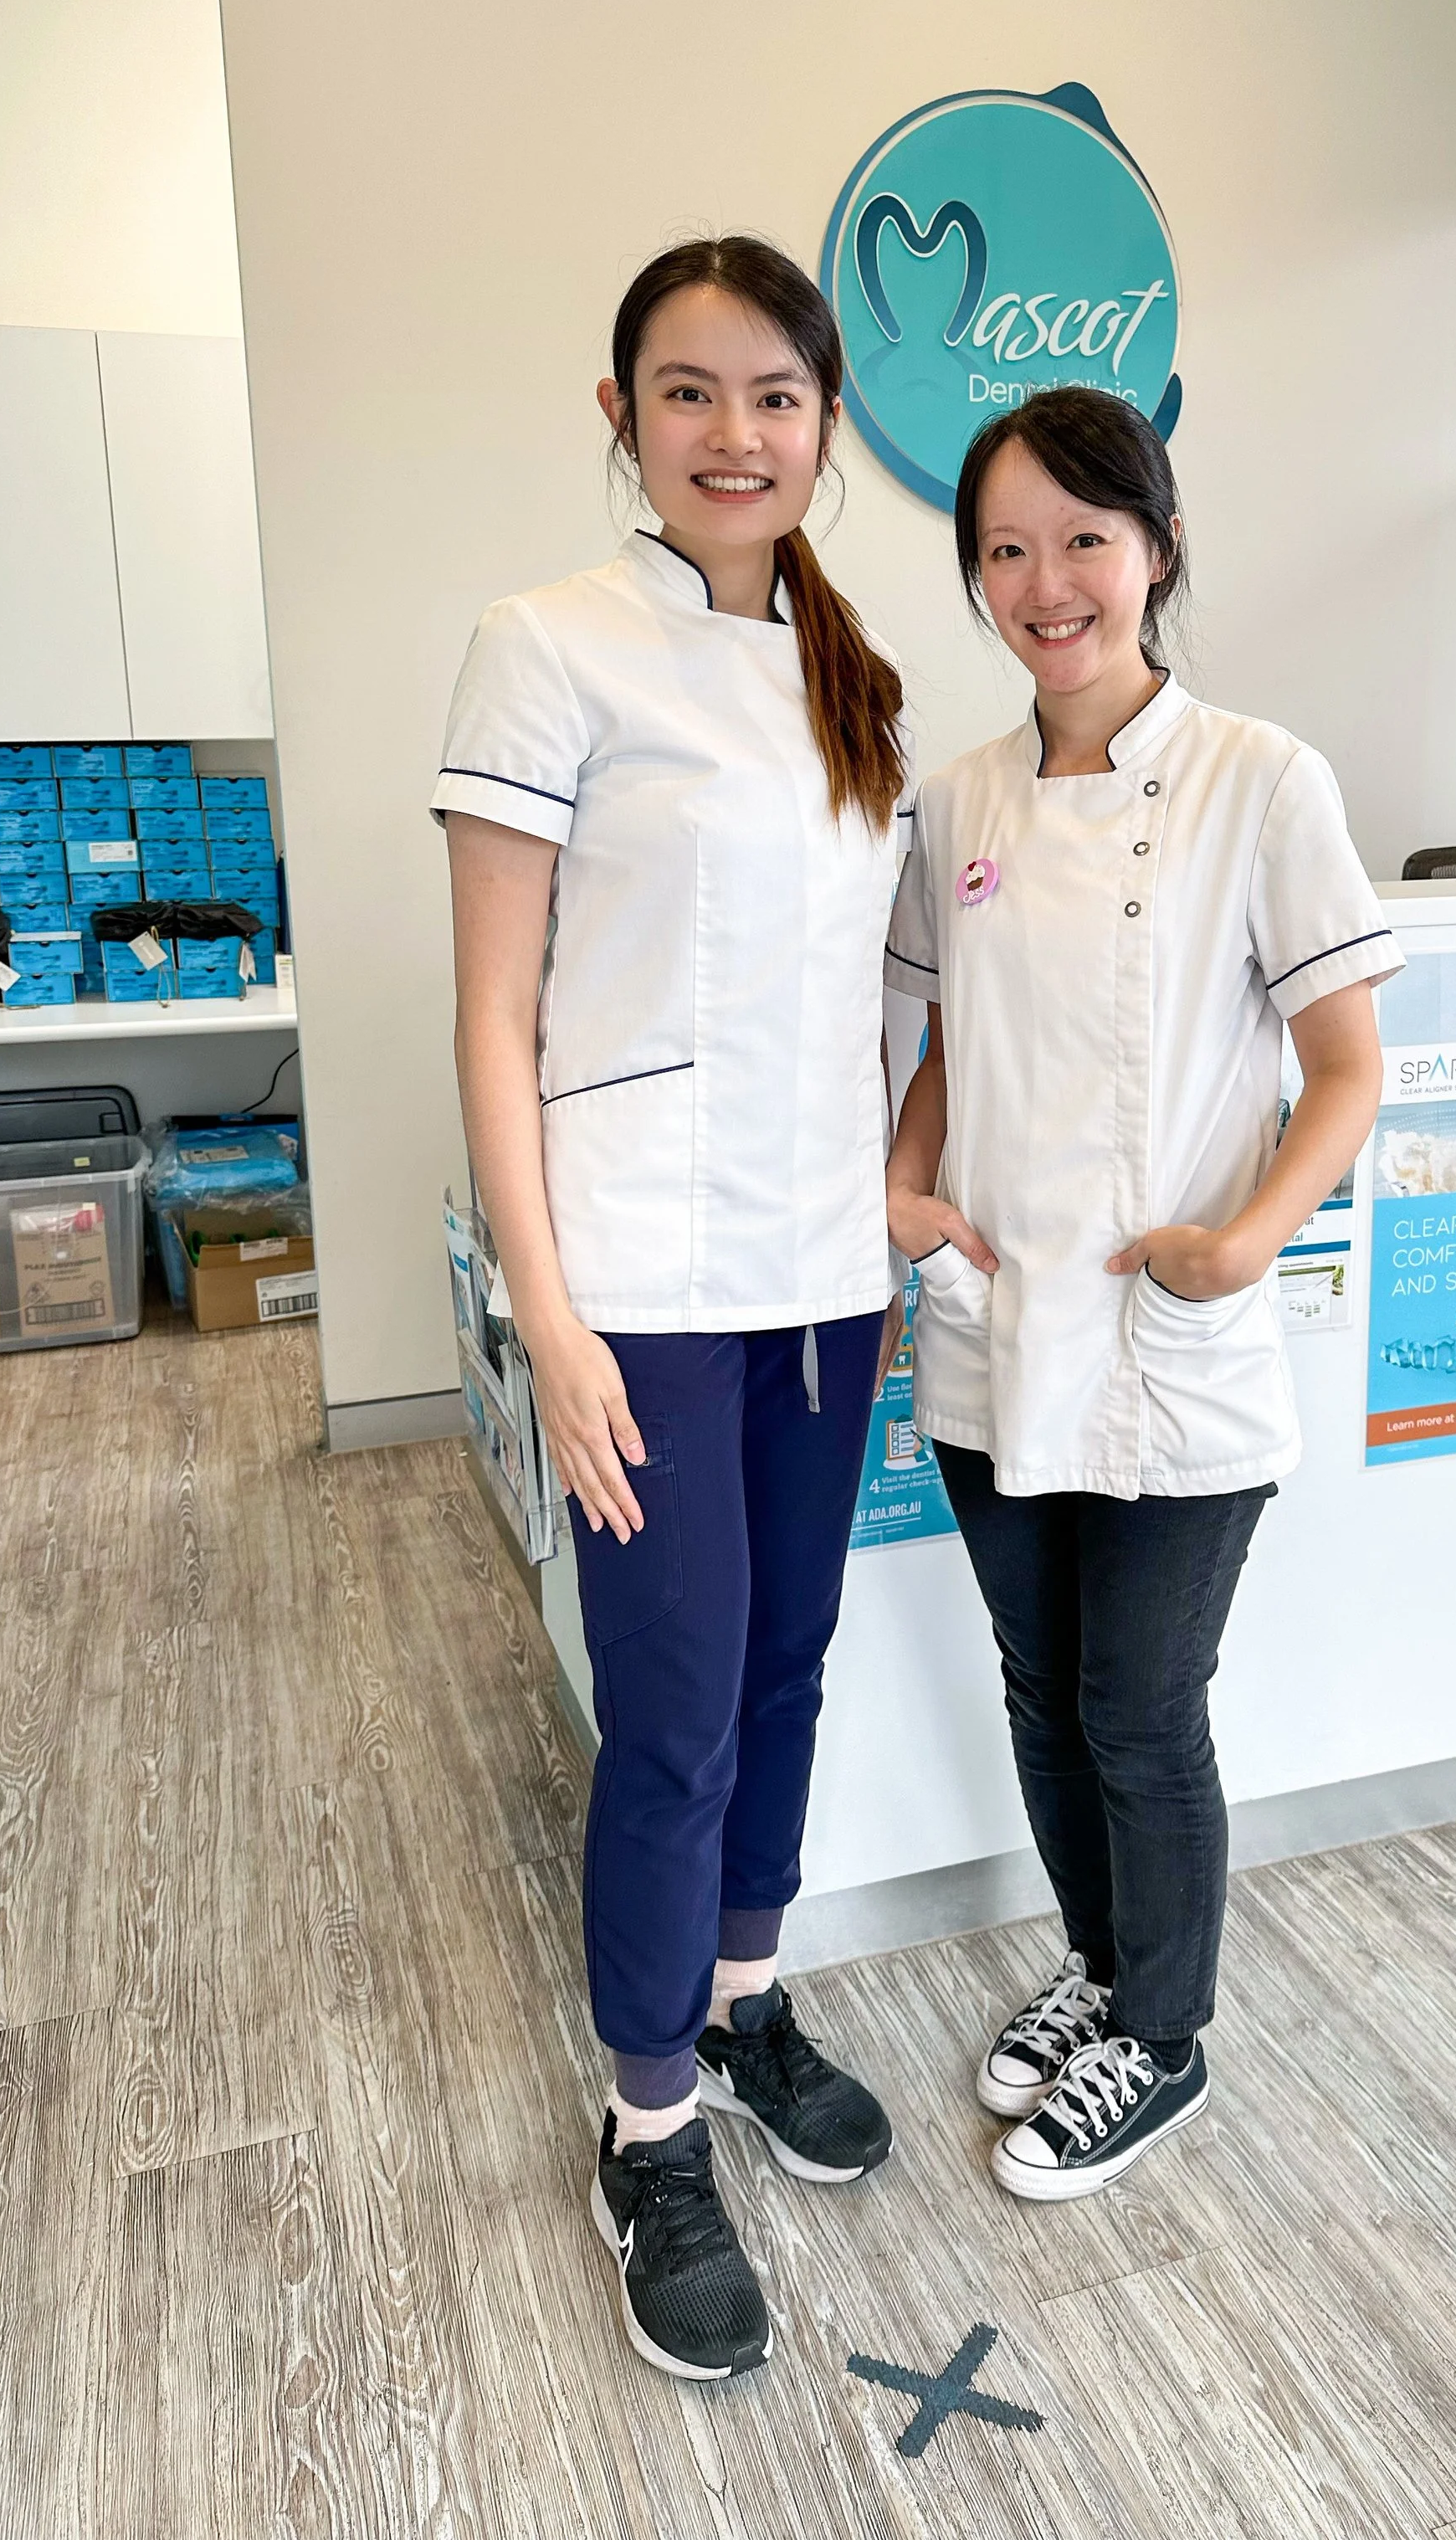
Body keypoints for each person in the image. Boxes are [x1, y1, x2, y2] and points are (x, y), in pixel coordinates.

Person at [436, 236, 904, 2383]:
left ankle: (739, 1999)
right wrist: (548, 1316)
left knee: (786, 1666)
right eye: (690, 392)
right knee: (676, 1706)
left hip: (822, 1277)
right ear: (620, 415)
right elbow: (494, 1011)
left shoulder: (851, 670)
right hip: (635, 1281)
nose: (736, 433)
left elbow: (861, 992)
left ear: (824, 422)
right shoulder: (545, 648)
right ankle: (645, 2125)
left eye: (775, 395)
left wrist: (894, 1205)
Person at [883, 387, 1396, 2202]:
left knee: (1138, 1706)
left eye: (1083, 540)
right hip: (997, 1322)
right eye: (1007, 550)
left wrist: (1242, 1243)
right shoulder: (958, 798)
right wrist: (905, 1190)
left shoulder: (1263, 778)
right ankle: (1100, 1968)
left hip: (1173, 1338)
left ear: (1155, 550)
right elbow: (947, 1040)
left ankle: (1162, 2034)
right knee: (1041, 1687)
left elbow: (1347, 1067)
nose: (1047, 583)